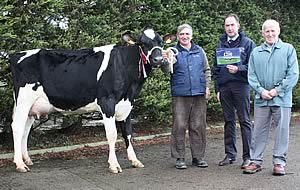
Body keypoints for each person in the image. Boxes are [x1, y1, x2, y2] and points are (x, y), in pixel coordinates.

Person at [243, 19, 299, 176]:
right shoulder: (256, 52)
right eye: (267, 31)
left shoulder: (288, 49)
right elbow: (251, 75)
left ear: (279, 31)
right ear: (262, 33)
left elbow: (293, 74)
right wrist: (261, 91)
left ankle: (279, 162)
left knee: (282, 131)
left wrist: (277, 90)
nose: (270, 33)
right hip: (262, 99)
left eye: (273, 30)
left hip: (281, 99)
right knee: (258, 131)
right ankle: (255, 161)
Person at [163, 23, 211, 169]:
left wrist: (207, 87)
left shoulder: (200, 51)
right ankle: (179, 158)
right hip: (180, 94)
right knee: (179, 125)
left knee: (198, 126)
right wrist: (166, 60)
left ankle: (198, 157)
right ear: (178, 36)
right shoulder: (173, 51)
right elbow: (167, 71)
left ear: (191, 35)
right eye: (182, 34)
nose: (184, 37)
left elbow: (206, 70)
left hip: (199, 93)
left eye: (187, 34)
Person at [213, 14, 256, 168]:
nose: (230, 28)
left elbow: (253, 67)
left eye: (232, 25)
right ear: (224, 28)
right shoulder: (220, 45)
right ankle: (230, 155)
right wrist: (217, 88)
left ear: (238, 26)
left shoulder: (248, 43)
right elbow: (215, 69)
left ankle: (248, 156)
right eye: (227, 25)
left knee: (244, 121)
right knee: (228, 121)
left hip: (241, 86)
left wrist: (239, 69)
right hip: (225, 88)